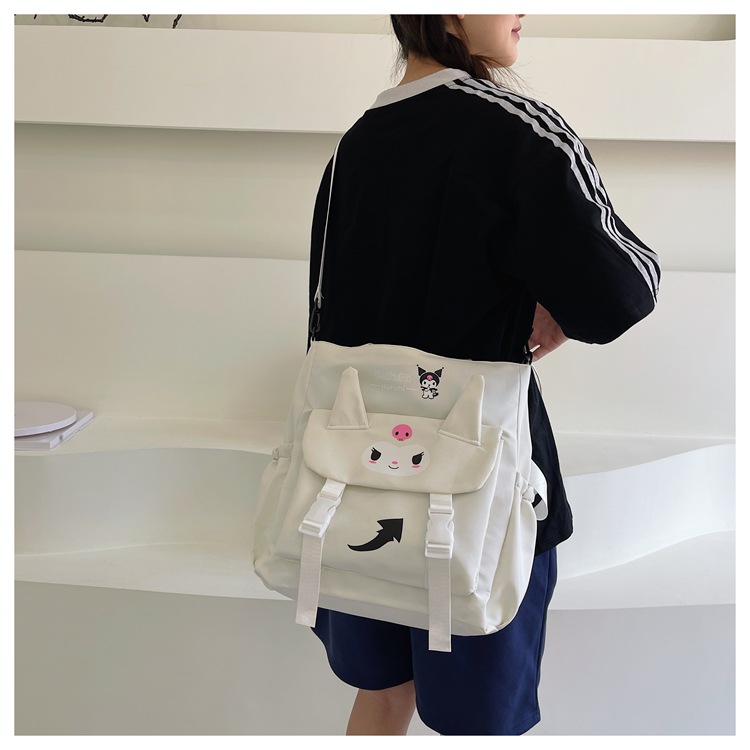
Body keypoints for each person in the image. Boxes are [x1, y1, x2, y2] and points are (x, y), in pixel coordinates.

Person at [305, 14, 660, 736]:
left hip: (355, 486)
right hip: (482, 496)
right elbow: (624, 289)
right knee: (482, 729)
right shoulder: (516, 131)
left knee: (383, 694)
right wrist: (556, 307)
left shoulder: (355, 147)